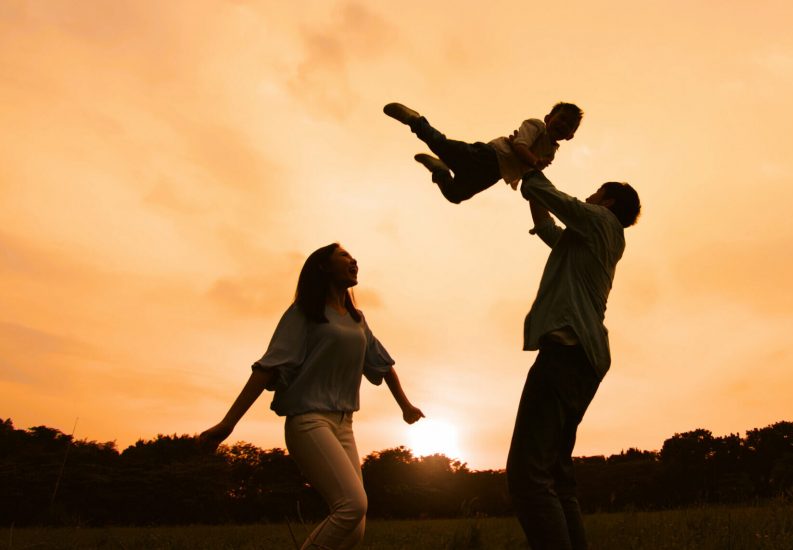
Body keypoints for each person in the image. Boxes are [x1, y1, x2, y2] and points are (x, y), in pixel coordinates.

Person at [199, 243, 424, 550]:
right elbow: (268, 367)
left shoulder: (356, 319)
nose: (353, 259)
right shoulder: (304, 313)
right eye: (344, 255)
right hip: (309, 421)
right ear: (323, 267)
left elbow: (382, 364)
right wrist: (228, 423)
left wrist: (406, 406)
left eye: (353, 255)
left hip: (345, 424)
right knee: (351, 506)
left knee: (354, 530)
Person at [507, 169, 640, 549]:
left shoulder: (600, 219)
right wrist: (533, 195)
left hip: (567, 350)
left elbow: (556, 199)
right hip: (585, 357)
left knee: (527, 476)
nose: (590, 195)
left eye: (597, 191)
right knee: (556, 474)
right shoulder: (589, 239)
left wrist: (528, 165)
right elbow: (549, 226)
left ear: (608, 201)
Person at [382, 101, 583, 204]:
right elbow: (520, 145)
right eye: (562, 118)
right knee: (440, 144)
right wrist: (535, 161)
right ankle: (415, 121)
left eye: (570, 125)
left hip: (494, 174)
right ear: (548, 117)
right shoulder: (537, 126)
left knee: (455, 195)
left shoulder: (552, 151)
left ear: (571, 135)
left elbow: (531, 171)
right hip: (489, 156)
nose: (563, 124)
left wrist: (535, 171)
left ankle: (440, 171)